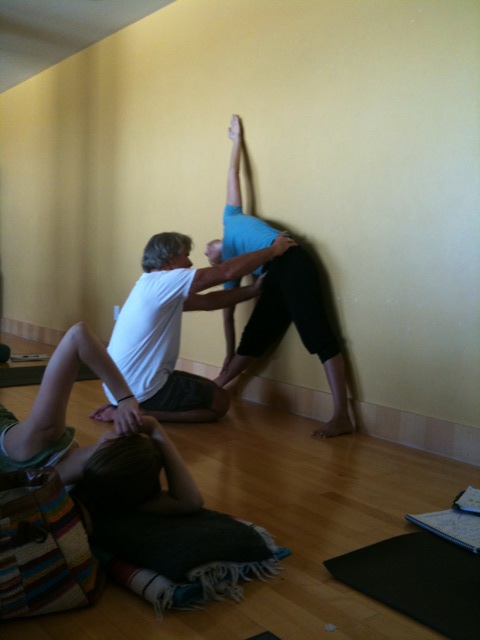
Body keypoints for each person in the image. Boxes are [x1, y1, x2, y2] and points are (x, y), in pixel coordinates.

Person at [205, 114, 354, 438]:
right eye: (207, 255)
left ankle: (342, 416)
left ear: (218, 240)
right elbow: (227, 313)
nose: (207, 250)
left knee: (318, 335)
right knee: (255, 337)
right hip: (273, 273)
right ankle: (216, 387)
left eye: (209, 247)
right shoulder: (231, 269)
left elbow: (233, 173)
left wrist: (236, 140)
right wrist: (227, 353)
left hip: (292, 259)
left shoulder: (230, 217)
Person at [91, 229, 296, 425]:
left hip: (121, 388)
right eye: (186, 255)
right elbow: (225, 272)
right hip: (140, 389)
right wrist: (273, 250)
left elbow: (208, 302)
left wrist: (253, 289)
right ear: (169, 260)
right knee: (221, 402)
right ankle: (137, 413)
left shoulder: (151, 287)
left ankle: (125, 407)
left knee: (212, 388)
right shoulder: (164, 281)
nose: (189, 263)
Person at [0, 321, 203, 516]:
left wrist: (127, 400)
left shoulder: (42, 438)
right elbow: (190, 502)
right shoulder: (102, 493)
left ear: (112, 440)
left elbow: (77, 336)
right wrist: (155, 429)